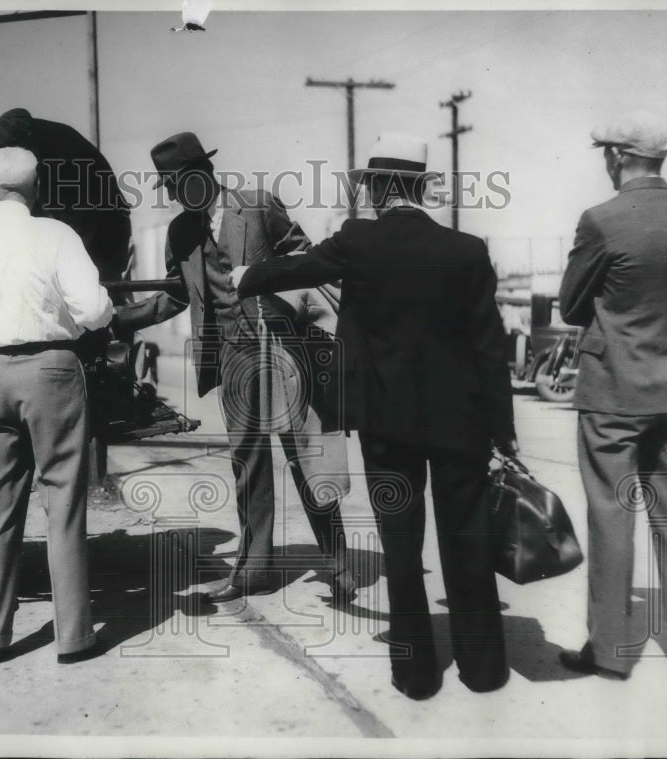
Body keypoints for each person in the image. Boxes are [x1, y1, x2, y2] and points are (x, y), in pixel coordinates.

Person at [232, 133, 516, 700]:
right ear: (420, 186)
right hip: (460, 422)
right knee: (466, 538)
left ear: (380, 187)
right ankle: (484, 670)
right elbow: (491, 351)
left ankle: (415, 674)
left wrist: (247, 277)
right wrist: (503, 433)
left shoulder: (358, 241)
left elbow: (296, 269)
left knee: (403, 546)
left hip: (387, 425)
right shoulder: (467, 249)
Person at [113, 132, 356, 603]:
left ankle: (339, 563)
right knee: (248, 466)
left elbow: (306, 262)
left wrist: (280, 298)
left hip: (281, 350)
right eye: (171, 188)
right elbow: (177, 295)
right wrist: (119, 322)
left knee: (306, 456)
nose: (179, 195)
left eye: (182, 183)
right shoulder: (180, 233)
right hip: (230, 360)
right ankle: (252, 572)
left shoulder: (259, 205)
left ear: (203, 174)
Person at [557, 112, 667, 679]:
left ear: (619, 157)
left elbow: (572, 305)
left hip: (613, 392)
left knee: (611, 517)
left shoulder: (601, 219)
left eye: (606, 153)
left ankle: (612, 652)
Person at [0, 147, 113, 664]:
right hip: (53, 372)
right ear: (36, 189)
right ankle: (74, 638)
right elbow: (95, 309)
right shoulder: (57, 235)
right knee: (62, 504)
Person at [0, 108, 132, 287]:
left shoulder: (57, 156)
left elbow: (72, 223)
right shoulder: (43, 143)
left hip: (101, 236)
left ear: (18, 144)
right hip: (96, 229)